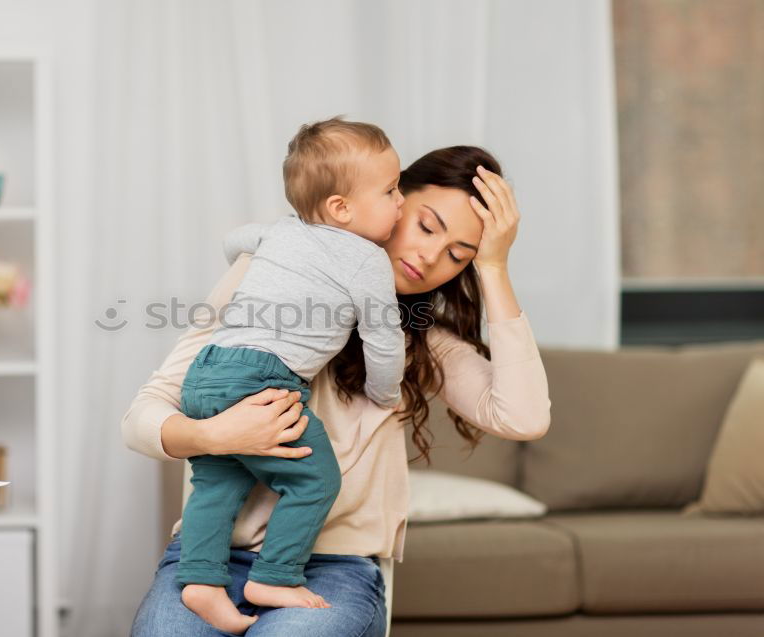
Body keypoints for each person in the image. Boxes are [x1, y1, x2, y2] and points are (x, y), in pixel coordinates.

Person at [124, 144, 552, 637]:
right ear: (389, 202)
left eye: (460, 255)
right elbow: (141, 416)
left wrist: (494, 267)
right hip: (209, 555)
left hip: (335, 567)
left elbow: (524, 417)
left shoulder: (421, 343)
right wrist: (213, 437)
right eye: (426, 226)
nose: (431, 256)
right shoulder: (270, 278)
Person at [174, 117, 407, 635]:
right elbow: (383, 340)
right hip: (263, 379)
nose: (402, 202)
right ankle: (274, 576)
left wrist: (260, 265)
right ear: (341, 208)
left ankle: (201, 581)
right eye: (391, 190)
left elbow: (235, 241)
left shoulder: (282, 230)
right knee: (316, 480)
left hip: (207, 371)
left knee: (217, 481)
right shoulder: (367, 258)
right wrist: (383, 391)